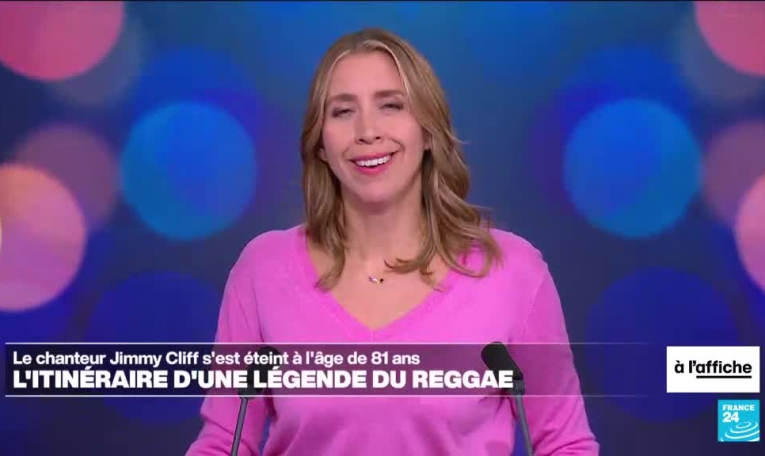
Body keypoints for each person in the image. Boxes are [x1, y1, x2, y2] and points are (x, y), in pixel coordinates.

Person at [186, 28, 598, 455]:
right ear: (321, 143)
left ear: (428, 130)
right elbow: (222, 442)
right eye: (343, 111)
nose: (368, 131)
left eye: (391, 105)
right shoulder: (263, 270)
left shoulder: (512, 272)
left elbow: (565, 444)